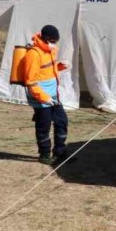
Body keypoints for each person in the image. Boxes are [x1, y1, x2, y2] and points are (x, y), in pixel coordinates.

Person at [21, 25, 71, 165]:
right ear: (46, 38)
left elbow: (47, 70)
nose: (55, 43)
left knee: (62, 122)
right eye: (53, 40)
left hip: (53, 96)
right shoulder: (34, 54)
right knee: (44, 126)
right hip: (40, 98)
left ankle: (60, 152)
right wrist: (44, 98)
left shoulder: (49, 50)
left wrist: (61, 66)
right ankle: (44, 154)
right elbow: (30, 81)